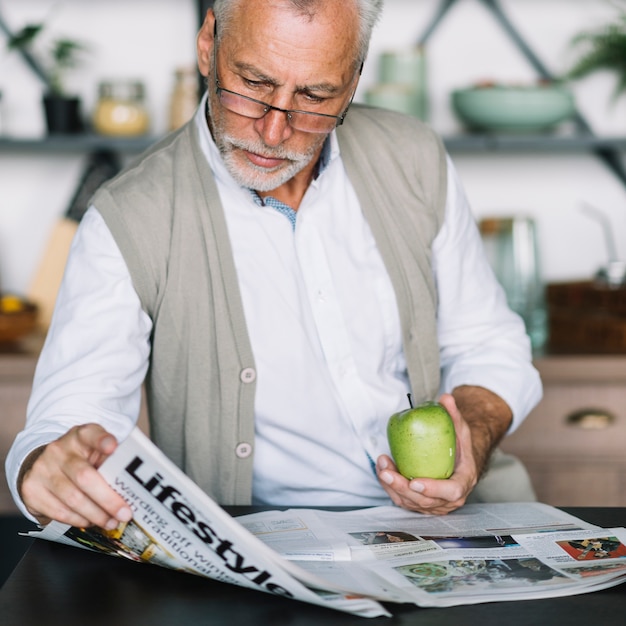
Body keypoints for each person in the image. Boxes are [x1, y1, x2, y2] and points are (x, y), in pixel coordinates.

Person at [6, 0, 542, 532]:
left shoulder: (415, 156)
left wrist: (470, 436)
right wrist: (46, 466)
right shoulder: (126, 216)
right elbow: (69, 413)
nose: (274, 131)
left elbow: (487, 343)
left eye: (315, 95)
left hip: (458, 530)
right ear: (207, 44)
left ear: (354, 79)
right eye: (254, 85)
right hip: (271, 550)